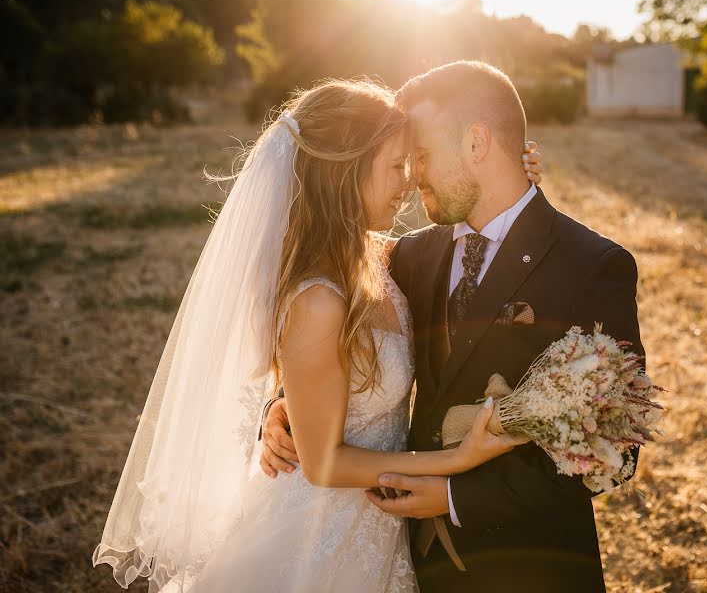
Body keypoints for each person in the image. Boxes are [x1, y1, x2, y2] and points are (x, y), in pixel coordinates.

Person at [91, 77, 543, 593]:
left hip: (376, 526)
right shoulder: (318, 297)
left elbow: (483, 249)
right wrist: (455, 462)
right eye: (396, 166)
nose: (409, 180)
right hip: (314, 534)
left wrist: (517, 181)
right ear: (346, 173)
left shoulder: (381, 259)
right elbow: (324, 461)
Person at [262, 61, 645, 593]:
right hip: (407, 563)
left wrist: (454, 497)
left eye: (420, 155)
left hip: (530, 568)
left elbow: (614, 449)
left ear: (476, 144)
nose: (410, 173)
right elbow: (332, 335)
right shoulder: (414, 257)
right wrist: (284, 410)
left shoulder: (592, 266)